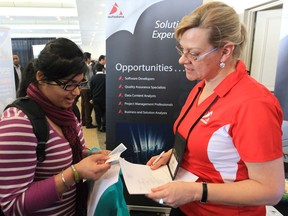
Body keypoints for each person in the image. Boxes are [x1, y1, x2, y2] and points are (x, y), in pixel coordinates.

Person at [146, 2, 284, 216]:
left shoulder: (254, 104)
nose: (182, 59)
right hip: (187, 208)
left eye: (193, 53)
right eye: (182, 50)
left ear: (225, 51)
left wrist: (195, 191)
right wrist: (173, 156)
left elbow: (270, 190)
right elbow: (210, 144)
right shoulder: (202, 86)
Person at [0, 38, 111, 215]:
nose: (76, 92)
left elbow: (63, 152)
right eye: (68, 84)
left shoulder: (67, 112)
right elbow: (11, 205)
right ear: (41, 77)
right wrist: (75, 173)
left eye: (79, 83)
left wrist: (88, 154)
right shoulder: (18, 123)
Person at [80, 52, 97, 129]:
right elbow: (90, 79)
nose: (90, 60)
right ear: (87, 59)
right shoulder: (88, 67)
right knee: (88, 106)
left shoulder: (81, 67)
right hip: (87, 89)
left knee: (83, 105)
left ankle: (83, 121)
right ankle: (88, 123)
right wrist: (92, 89)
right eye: (90, 58)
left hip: (82, 89)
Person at [90, 62, 106, 132]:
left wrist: (91, 98)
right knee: (105, 112)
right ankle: (104, 126)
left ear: (96, 70)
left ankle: (99, 126)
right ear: (103, 69)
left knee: (97, 113)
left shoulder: (93, 78)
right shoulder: (106, 77)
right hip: (105, 98)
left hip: (96, 99)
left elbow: (91, 89)